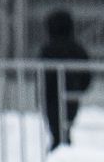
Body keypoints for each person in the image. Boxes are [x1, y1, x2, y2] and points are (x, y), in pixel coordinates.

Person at [37, 8, 91, 148]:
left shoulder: (47, 50)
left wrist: (41, 95)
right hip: (71, 97)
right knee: (64, 130)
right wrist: (78, 90)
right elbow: (87, 75)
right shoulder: (77, 49)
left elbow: (41, 77)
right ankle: (63, 157)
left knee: (57, 133)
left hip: (51, 99)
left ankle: (60, 160)